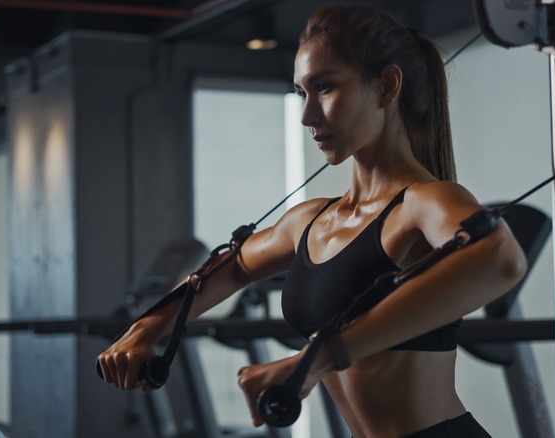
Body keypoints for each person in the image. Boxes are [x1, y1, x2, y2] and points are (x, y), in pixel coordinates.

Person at [98, 3, 527, 437]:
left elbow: (500, 257)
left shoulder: (424, 203)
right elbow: (236, 265)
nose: (306, 115)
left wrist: (318, 358)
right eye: (302, 92)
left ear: (386, 86)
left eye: (323, 87)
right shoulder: (311, 219)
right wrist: (147, 328)